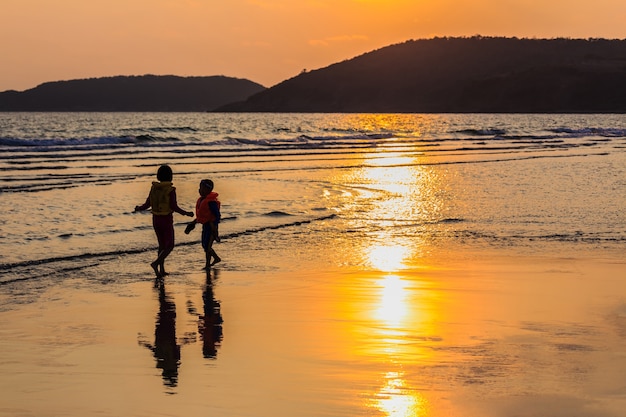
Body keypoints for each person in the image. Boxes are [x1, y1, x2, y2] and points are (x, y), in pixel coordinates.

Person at [134, 165, 193, 278]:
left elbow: (147, 204)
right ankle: (156, 264)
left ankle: (161, 270)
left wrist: (139, 208)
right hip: (166, 220)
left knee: (161, 245)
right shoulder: (170, 190)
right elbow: (174, 206)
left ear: (158, 176)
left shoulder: (154, 188)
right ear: (171, 176)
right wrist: (186, 213)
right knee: (170, 245)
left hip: (155, 220)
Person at [185, 179, 221, 268]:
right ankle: (209, 263)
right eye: (199, 188)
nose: (199, 190)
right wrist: (193, 223)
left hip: (212, 227)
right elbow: (202, 216)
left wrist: (214, 228)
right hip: (206, 226)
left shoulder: (211, 202)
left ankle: (214, 260)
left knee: (208, 246)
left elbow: (217, 215)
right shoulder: (202, 200)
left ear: (208, 190)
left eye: (202, 188)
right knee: (204, 245)